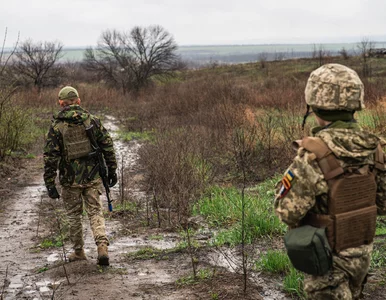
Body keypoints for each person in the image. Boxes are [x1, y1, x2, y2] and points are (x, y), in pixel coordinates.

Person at [274, 63, 386, 299]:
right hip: (361, 259)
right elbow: (383, 203)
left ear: (314, 106)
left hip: (326, 265)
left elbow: (287, 212)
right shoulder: (376, 148)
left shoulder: (313, 154)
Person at [43, 86, 117, 266]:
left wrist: (50, 183)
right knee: (95, 212)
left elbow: (51, 157)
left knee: (73, 215)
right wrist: (111, 170)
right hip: (92, 177)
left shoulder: (57, 126)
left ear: (61, 103)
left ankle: (79, 251)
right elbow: (107, 145)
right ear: (79, 101)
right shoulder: (92, 121)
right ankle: (101, 246)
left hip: (70, 181)